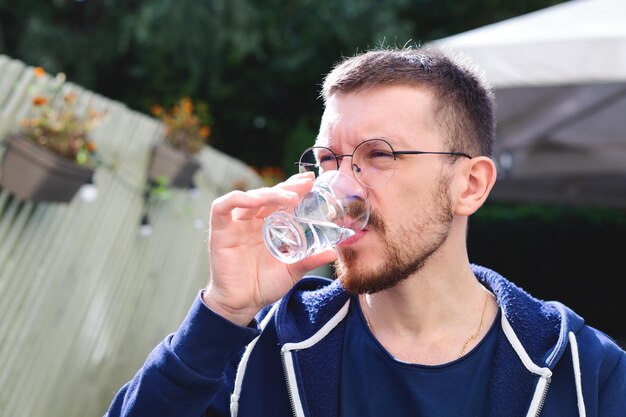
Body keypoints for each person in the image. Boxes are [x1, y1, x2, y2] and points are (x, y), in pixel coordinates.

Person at [105, 46, 626, 417]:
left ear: (470, 185)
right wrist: (222, 310)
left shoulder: (583, 371)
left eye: (378, 156)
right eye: (328, 160)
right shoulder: (260, 345)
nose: (340, 185)